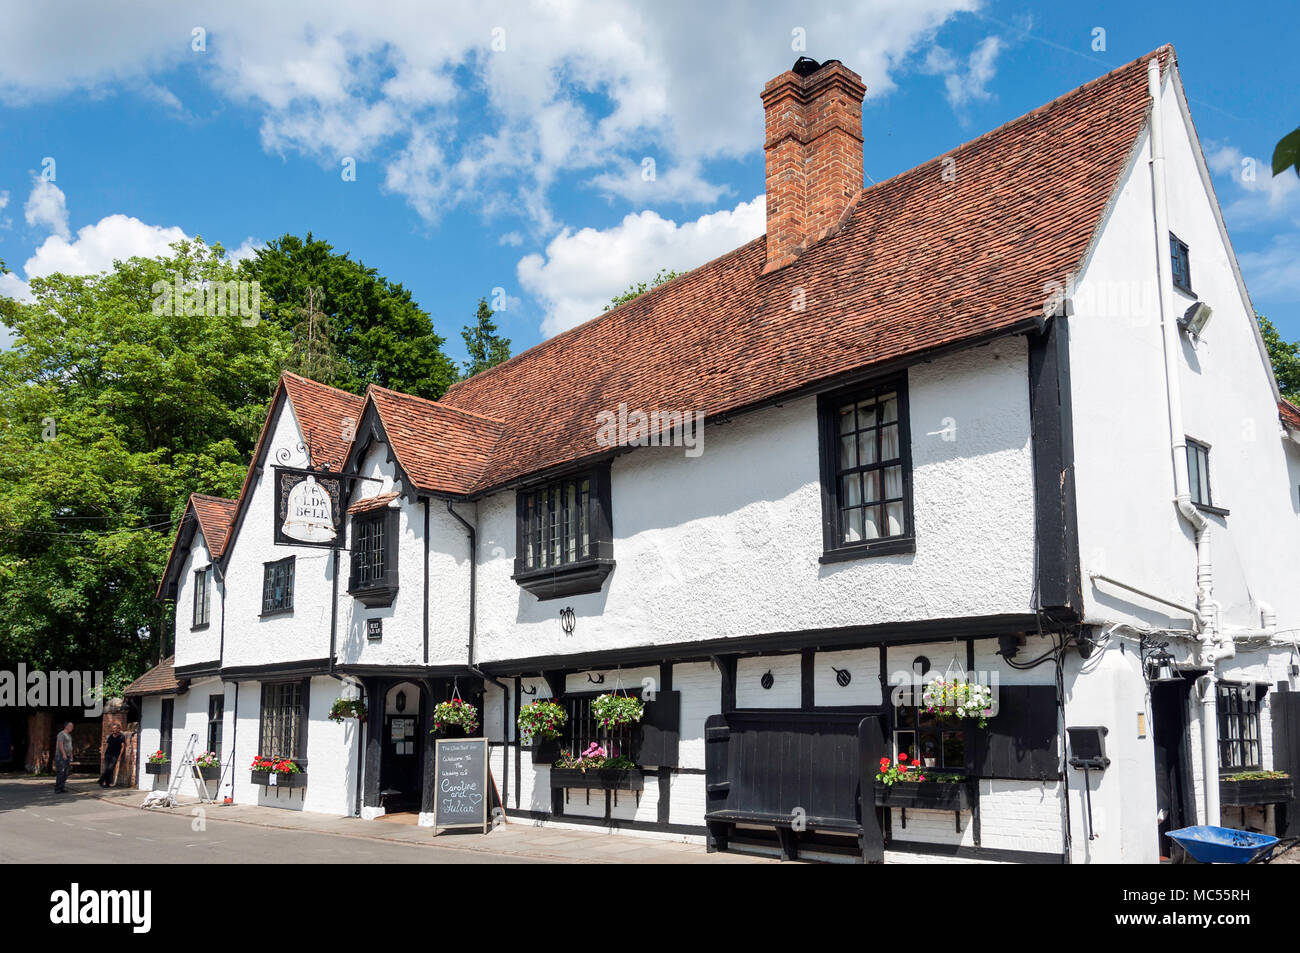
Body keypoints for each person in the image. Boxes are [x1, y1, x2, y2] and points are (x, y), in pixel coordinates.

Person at [54, 721, 74, 793]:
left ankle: (62, 787)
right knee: (61, 772)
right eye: (71, 726)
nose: (72, 728)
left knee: (66, 772)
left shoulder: (69, 735)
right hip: (61, 756)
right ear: (66, 726)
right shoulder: (61, 734)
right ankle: (57, 788)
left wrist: (71, 755)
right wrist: (64, 754)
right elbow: (60, 744)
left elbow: (70, 746)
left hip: (67, 756)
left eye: (72, 726)